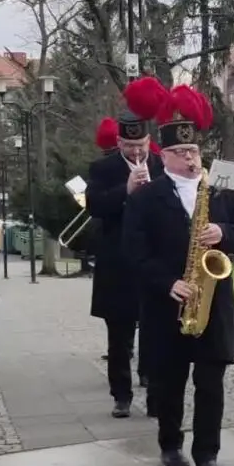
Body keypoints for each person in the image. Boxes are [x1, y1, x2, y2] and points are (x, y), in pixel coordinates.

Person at [123, 80, 234, 466]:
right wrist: (168, 284)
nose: (191, 160)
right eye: (181, 153)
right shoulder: (146, 197)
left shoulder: (221, 191)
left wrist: (223, 233)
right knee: (170, 382)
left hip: (213, 302)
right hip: (168, 305)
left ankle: (208, 453)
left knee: (211, 382)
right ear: (164, 156)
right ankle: (169, 443)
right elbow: (134, 253)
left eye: (194, 151)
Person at [87, 92, 166, 418]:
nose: (136, 153)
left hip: (152, 259)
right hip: (116, 262)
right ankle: (121, 394)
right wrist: (126, 190)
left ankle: (151, 383)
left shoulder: (160, 165)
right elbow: (93, 205)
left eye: (141, 147)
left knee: (153, 328)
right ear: (119, 143)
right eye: (129, 147)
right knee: (118, 334)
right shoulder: (103, 168)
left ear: (149, 141)